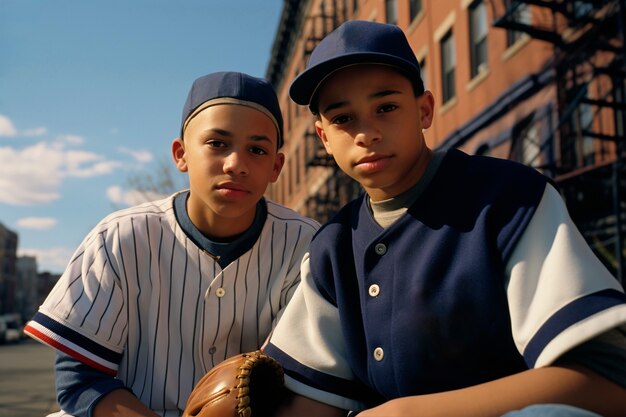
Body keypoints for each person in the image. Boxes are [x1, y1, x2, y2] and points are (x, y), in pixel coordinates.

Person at [264, 20, 626, 417]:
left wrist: (409, 413)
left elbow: (607, 379)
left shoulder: (509, 199)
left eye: (386, 107)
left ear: (424, 110)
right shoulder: (332, 246)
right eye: (343, 119)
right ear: (323, 138)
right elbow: (311, 398)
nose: (366, 133)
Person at [24, 71, 320, 417]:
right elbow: (80, 379)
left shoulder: (306, 244)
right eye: (217, 144)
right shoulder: (119, 237)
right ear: (181, 154)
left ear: (276, 166)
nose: (236, 164)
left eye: (257, 149)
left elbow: (303, 380)